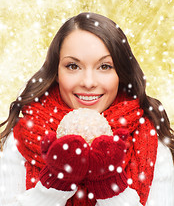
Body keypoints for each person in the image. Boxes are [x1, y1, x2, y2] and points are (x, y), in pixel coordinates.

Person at [0, 12, 174, 206]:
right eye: (73, 66)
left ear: (121, 74)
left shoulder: (151, 143)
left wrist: (110, 186)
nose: (88, 82)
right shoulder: (22, 138)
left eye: (105, 66)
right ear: (57, 72)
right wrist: (56, 183)